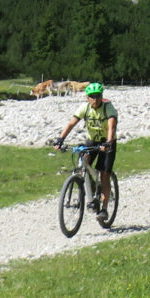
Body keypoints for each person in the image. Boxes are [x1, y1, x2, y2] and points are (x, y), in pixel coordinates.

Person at [55, 82, 118, 212]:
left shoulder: (108, 107)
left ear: (101, 96)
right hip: (92, 141)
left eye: (98, 96)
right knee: (83, 162)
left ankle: (104, 209)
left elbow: (112, 126)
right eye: (92, 96)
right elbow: (71, 123)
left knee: (104, 174)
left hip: (107, 142)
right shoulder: (85, 108)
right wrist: (61, 139)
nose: (95, 99)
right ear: (87, 98)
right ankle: (92, 189)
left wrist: (108, 142)